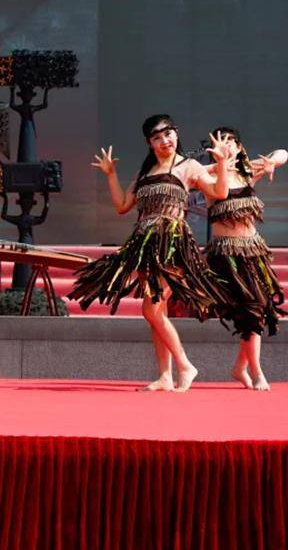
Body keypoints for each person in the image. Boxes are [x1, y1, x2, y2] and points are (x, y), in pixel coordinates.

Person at [68, 115, 233, 392]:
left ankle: (185, 365)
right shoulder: (145, 173)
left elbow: (220, 192)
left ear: (176, 134)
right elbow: (122, 205)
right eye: (157, 137)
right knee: (157, 311)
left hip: (172, 243)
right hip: (144, 245)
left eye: (168, 134)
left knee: (151, 308)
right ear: (150, 143)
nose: (165, 141)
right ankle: (165, 376)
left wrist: (222, 162)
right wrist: (111, 175)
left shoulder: (188, 166)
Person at [203, 127, 288, 390]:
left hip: (253, 251)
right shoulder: (208, 176)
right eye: (221, 141)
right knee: (250, 310)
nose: (227, 145)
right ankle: (256, 372)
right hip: (226, 256)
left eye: (231, 141)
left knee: (259, 309)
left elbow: (284, 153)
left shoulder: (247, 171)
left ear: (240, 147)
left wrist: (272, 162)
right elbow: (187, 173)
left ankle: (240, 368)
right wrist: (218, 164)